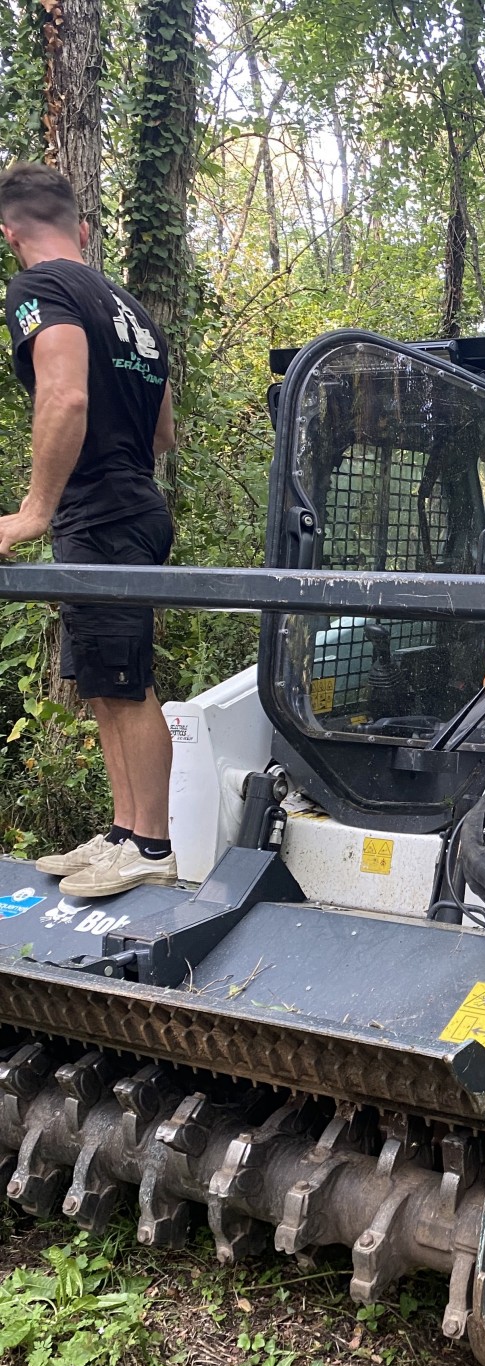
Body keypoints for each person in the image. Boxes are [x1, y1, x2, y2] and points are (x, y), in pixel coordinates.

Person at [0, 161, 177, 897]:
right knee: (105, 681)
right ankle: (123, 833)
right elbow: (164, 432)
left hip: (100, 509)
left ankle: (155, 845)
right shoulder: (131, 309)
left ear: (10, 235)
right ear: (81, 227)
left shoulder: (39, 290)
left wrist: (34, 510)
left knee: (128, 684)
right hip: (132, 501)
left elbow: (65, 394)